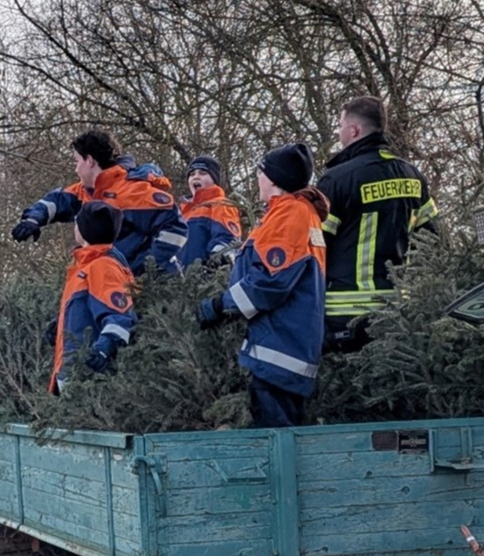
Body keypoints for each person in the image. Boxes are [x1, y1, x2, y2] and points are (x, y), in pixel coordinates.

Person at [196, 143, 329, 428]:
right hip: (282, 347)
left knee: (276, 440)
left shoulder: (289, 215)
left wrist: (220, 306)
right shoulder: (290, 212)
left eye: (260, 172)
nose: (257, 178)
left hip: (279, 352)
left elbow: (269, 282)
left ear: (274, 179)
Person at [317, 95, 438, 352]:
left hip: (344, 314)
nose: (339, 132)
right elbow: (432, 240)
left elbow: (314, 247)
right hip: (399, 311)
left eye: (341, 126)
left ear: (354, 130)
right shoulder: (413, 176)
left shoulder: (337, 179)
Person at [11, 129, 189, 276]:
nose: (76, 169)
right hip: (115, 281)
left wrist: (149, 268)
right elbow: (56, 201)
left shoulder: (134, 192)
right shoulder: (87, 191)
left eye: (76, 161)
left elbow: (175, 227)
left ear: (89, 161)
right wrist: (33, 220)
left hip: (151, 290)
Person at [50, 200, 138, 394]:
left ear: (85, 230)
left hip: (88, 376)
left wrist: (104, 348)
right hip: (74, 371)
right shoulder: (88, 266)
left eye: (77, 222)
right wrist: (59, 324)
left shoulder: (102, 267)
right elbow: (83, 309)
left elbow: (120, 315)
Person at [177, 155, 243, 270]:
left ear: (214, 179)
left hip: (205, 276)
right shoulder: (183, 212)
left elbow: (226, 239)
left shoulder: (221, 205)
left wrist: (215, 263)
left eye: (203, 173)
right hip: (181, 277)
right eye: (192, 174)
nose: (196, 177)